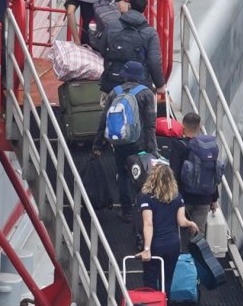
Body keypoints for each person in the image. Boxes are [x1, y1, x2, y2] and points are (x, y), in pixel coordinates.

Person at [92, 60, 158, 222]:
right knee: (141, 174)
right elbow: (150, 124)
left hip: (120, 142)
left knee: (123, 174)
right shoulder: (146, 93)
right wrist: (152, 148)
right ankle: (144, 210)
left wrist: (98, 144)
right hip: (139, 142)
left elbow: (104, 121)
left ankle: (126, 211)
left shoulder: (115, 92)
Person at [138, 163, 199, 294]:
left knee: (150, 280)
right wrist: (191, 223)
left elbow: (148, 223)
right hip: (173, 244)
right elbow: (181, 221)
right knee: (167, 279)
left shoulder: (145, 197)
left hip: (156, 244)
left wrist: (146, 249)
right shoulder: (177, 197)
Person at [168, 112, 219, 245]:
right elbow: (212, 173)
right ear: (199, 126)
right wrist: (214, 199)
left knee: (177, 231)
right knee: (197, 234)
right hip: (204, 198)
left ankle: (179, 261)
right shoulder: (209, 148)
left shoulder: (178, 145)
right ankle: (195, 263)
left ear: (183, 125)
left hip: (184, 197)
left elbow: (174, 172)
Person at [99, 0, 165, 93]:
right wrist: (160, 85)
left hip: (112, 81)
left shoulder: (111, 26)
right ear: (145, 8)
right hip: (140, 85)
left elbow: (102, 49)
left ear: (129, 6)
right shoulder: (150, 32)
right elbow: (154, 61)